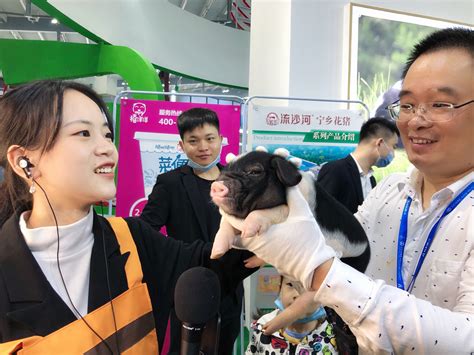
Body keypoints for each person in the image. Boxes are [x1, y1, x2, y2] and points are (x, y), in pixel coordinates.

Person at [224, 27, 474, 353]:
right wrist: (280, 221)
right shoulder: (391, 190)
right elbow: (346, 243)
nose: (416, 120)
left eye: (440, 104)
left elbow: (466, 340)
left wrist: (321, 270)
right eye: (408, 105)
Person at [0, 80, 256, 353]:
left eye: (107, 135)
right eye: (84, 133)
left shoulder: (132, 239)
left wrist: (270, 226)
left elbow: (208, 263)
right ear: (23, 160)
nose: (108, 149)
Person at [140, 108, 243, 354]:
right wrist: (173, 260)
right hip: (188, 287)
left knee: (223, 346)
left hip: (229, 287)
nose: (203, 147)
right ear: (181, 144)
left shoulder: (236, 182)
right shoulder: (170, 183)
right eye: (193, 141)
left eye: (210, 138)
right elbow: (146, 230)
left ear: (221, 139)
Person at [317, 117, 399, 213]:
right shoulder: (335, 170)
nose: (393, 153)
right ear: (380, 143)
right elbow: (320, 215)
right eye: (393, 146)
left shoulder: (371, 180)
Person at [246, 275, 337, 354]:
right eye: (290, 285)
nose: (298, 295)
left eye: (309, 288)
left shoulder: (334, 339)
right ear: (280, 287)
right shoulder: (262, 329)